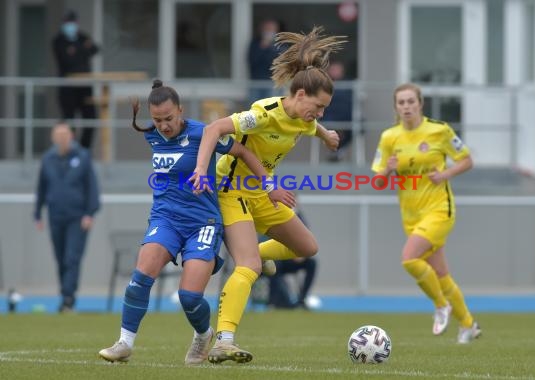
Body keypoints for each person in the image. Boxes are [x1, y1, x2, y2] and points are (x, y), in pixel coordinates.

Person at [190, 26, 345, 363]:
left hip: (261, 192)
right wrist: (201, 170)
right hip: (230, 192)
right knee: (246, 265)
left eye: (324, 110)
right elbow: (214, 129)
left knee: (307, 247)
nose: (319, 114)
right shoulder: (262, 113)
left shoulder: (304, 120)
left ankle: (261, 256)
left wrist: (326, 135)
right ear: (301, 95)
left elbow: (308, 126)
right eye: (318, 107)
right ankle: (224, 340)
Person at [98, 80, 275, 365]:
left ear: (180, 110)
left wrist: (268, 185)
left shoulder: (202, 134)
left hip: (203, 222)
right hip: (165, 218)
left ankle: (203, 335)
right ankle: (124, 343)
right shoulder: (153, 136)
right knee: (141, 276)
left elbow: (242, 153)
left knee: (189, 297)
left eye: (168, 118)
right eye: (157, 120)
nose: (163, 125)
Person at [371, 83, 481, 344]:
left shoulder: (439, 131)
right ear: (396, 108)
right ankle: (468, 324)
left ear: (421, 104)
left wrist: (445, 174)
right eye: (401, 103)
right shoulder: (389, 137)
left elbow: (466, 159)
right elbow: (377, 182)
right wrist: (387, 169)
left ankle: (441, 306)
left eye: (411, 101)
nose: (407, 106)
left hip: (439, 210)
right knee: (441, 275)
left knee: (409, 259)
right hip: (410, 216)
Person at [34, 122, 100, 312]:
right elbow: (41, 188)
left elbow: (92, 188)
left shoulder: (82, 157)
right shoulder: (48, 159)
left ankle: (68, 298)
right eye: (58, 135)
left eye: (65, 134)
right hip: (55, 216)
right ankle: (65, 294)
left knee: (72, 257)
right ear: (53, 138)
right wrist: (38, 213)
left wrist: (90, 213)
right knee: (60, 257)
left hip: (77, 217)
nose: (61, 138)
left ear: (71, 136)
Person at [52, 10, 99, 149]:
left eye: (72, 22)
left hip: (84, 87)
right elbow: (66, 60)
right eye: (68, 23)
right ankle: (70, 150)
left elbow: (95, 49)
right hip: (67, 88)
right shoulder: (58, 41)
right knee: (69, 122)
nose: (70, 26)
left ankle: (84, 151)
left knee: (91, 120)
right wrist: (82, 49)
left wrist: (76, 50)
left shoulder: (82, 37)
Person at [321, 61, 353, 162]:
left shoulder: (349, 86)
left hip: (347, 117)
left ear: (342, 71)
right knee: (330, 129)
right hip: (328, 117)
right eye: (333, 69)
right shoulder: (323, 86)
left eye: (337, 70)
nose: (335, 72)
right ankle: (335, 151)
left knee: (357, 126)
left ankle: (337, 150)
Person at [247, 19, 282, 104]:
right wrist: (262, 47)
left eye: (271, 29)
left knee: (270, 109)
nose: (269, 32)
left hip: (272, 83)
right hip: (255, 83)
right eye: (267, 29)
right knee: (254, 110)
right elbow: (252, 61)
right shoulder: (255, 43)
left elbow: (278, 62)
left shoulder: (280, 44)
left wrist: (269, 47)